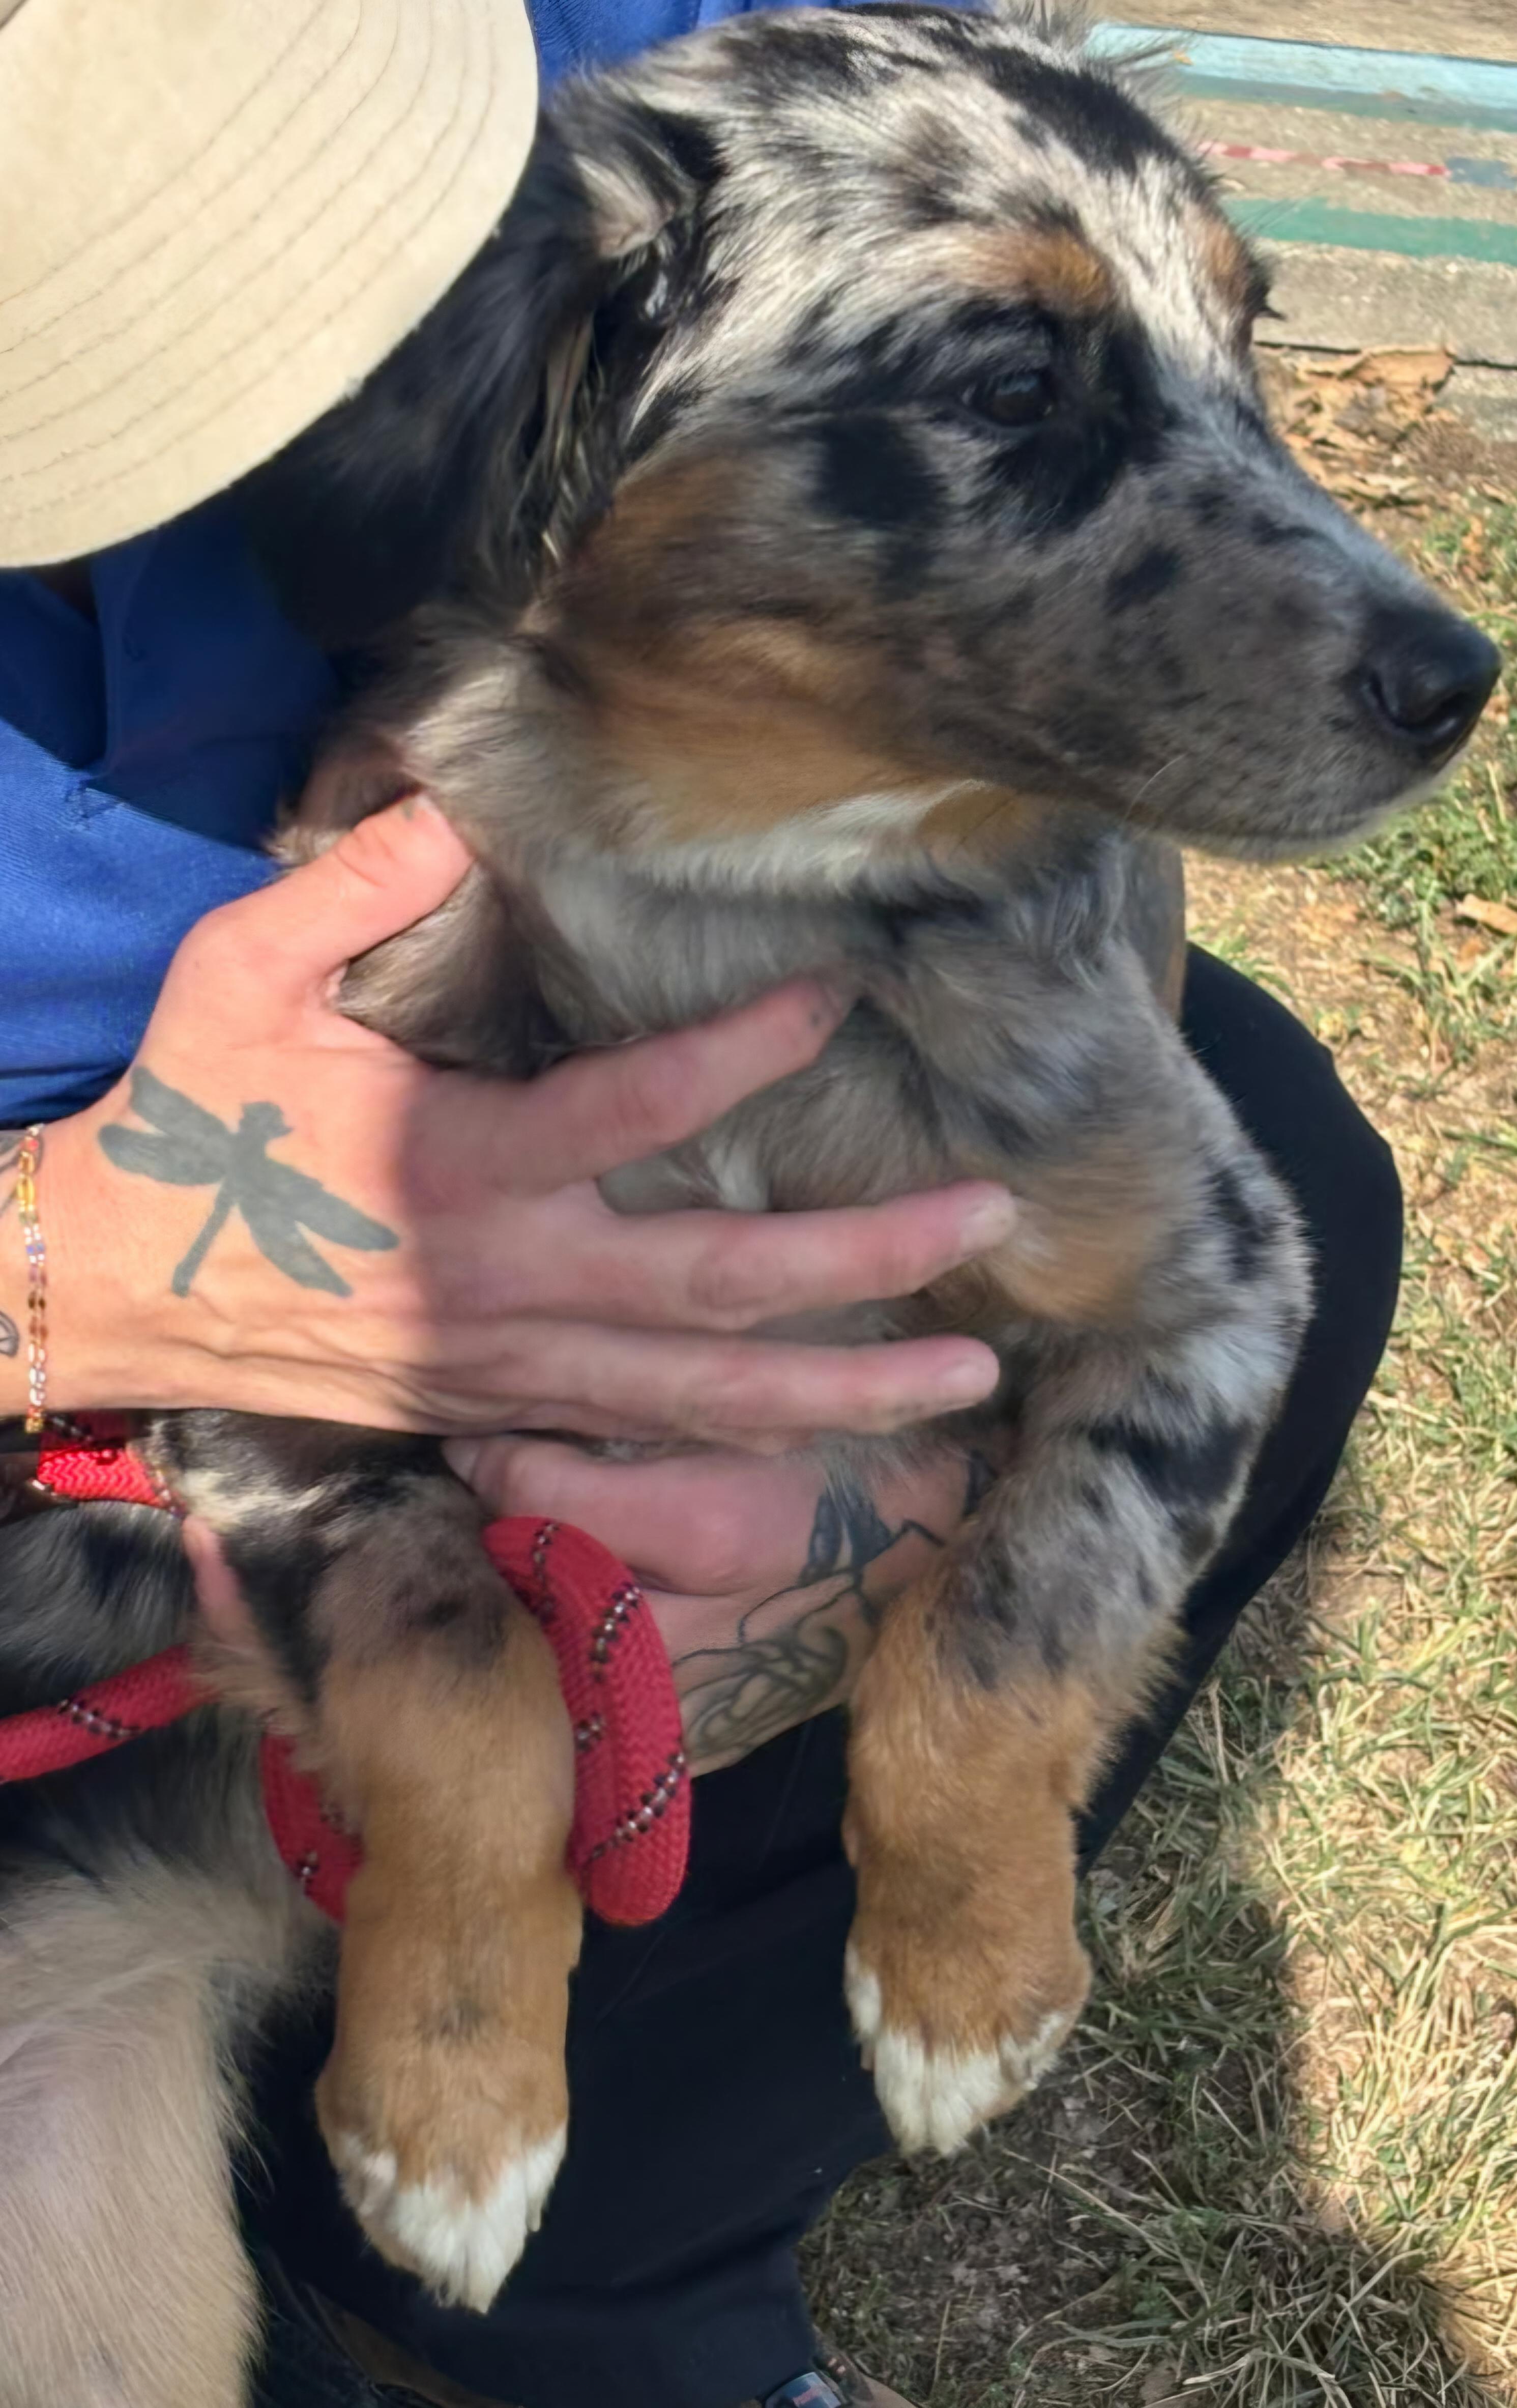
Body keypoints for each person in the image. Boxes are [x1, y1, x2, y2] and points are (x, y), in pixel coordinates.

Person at [0, 4, 1403, 2405]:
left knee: (1273, 1170)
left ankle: (598, 2271)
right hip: (95, 1418)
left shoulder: (649, 94)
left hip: (562, 1090)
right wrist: (65, 1265)